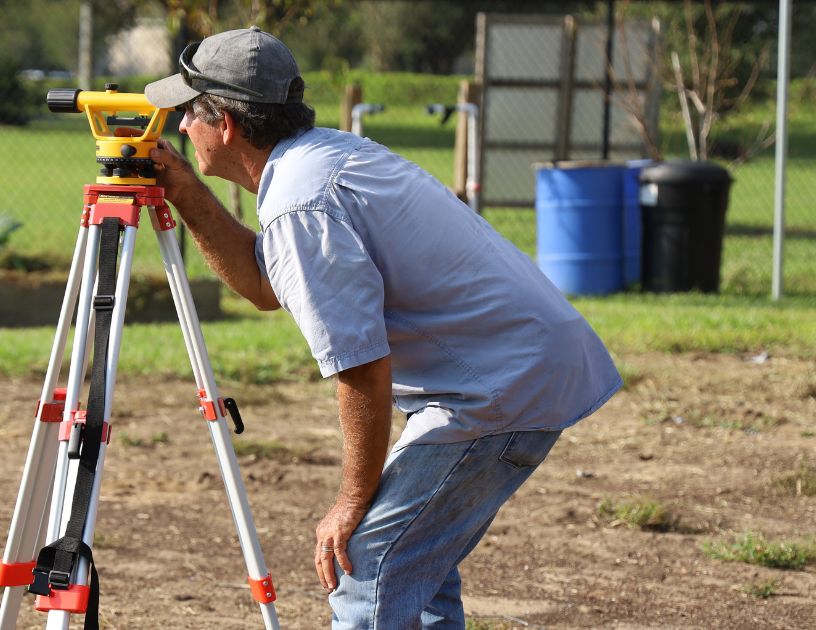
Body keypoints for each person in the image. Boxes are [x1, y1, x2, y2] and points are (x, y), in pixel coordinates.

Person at [145, 26, 622, 629]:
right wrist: (185, 192)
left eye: (189, 112)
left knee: (366, 564)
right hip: (515, 369)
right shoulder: (320, 158)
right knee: (416, 574)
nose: (181, 127)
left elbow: (362, 364)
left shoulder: (301, 201)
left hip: (497, 387)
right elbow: (267, 286)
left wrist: (350, 501)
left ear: (229, 125)